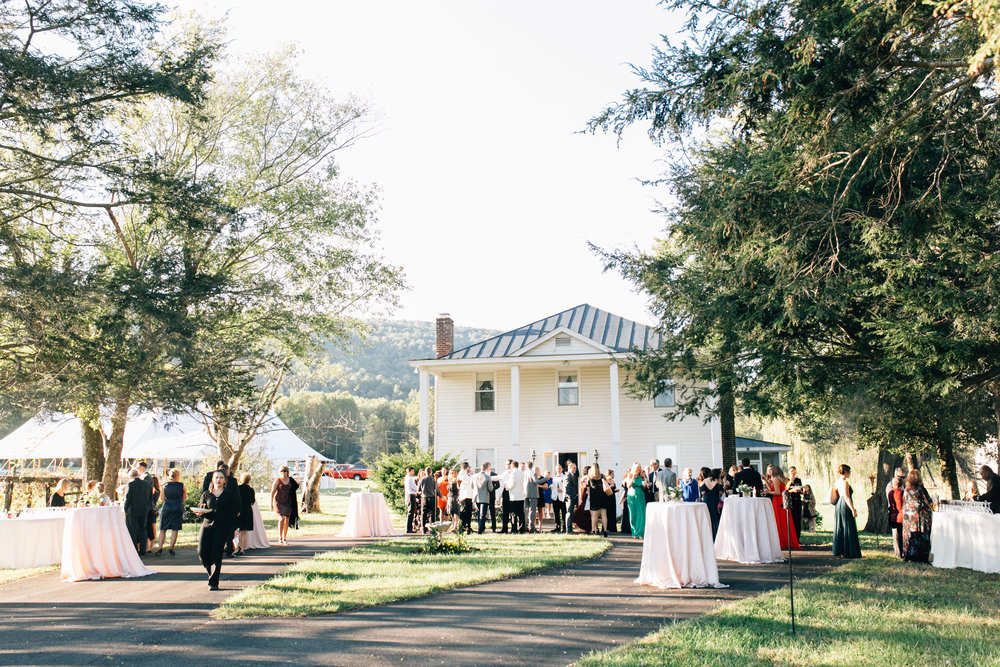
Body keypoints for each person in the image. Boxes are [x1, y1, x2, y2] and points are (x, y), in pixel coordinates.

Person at [197, 470, 237, 590]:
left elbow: (233, 513)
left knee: (216, 553)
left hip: (222, 527)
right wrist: (200, 513)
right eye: (216, 478)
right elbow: (201, 509)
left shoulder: (229, 494)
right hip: (207, 525)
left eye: (221, 478)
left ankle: (213, 582)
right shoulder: (206, 494)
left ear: (224, 480)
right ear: (212, 480)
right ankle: (210, 570)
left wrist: (232, 530)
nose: (218, 480)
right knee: (202, 552)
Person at [901, 469, 934, 563]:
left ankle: (908, 555)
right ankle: (921, 556)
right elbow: (928, 502)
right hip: (918, 517)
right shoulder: (920, 489)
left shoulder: (906, 490)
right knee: (920, 535)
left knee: (909, 536)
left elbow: (904, 503)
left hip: (908, 517)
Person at [765, 465, 800, 550]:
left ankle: (781, 542)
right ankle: (786, 540)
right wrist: (766, 481)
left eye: (771, 471)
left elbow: (777, 492)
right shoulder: (780, 479)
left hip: (777, 501)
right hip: (781, 501)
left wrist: (767, 492)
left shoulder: (776, 479)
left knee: (778, 521)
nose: (769, 472)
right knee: (782, 521)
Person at [832, 464, 862, 558]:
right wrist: (853, 509)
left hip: (838, 505)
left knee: (841, 526)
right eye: (849, 471)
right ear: (846, 472)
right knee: (848, 526)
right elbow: (847, 497)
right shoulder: (845, 483)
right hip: (845, 505)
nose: (850, 473)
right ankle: (849, 551)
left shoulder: (837, 481)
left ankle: (841, 550)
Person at [155, 468, 186, 557]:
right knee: (174, 529)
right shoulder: (181, 485)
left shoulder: (165, 485)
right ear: (177, 476)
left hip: (167, 507)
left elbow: (162, 499)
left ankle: (160, 547)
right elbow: (184, 498)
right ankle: (171, 548)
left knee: (163, 529)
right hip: (177, 507)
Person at [123, 469, 151, 555]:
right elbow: (150, 496)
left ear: (130, 476)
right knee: (143, 529)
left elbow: (127, 499)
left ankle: (134, 549)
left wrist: (125, 509)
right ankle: (143, 548)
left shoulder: (130, 485)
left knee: (132, 530)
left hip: (132, 510)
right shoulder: (147, 484)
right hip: (144, 509)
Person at [270, 466, 299, 545]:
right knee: (281, 518)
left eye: (285, 472)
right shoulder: (277, 480)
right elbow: (272, 492)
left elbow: (296, 487)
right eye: (282, 472)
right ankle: (280, 537)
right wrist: (271, 503)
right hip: (278, 502)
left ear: (287, 472)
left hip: (288, 502)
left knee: (286, 519)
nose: (283, 473)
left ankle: (284, 538)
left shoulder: (290, 480)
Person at [137, 460, 160, 553]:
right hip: (146, 505)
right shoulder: (144, 477)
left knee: (148, 526)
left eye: (138, 467)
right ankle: (147, 545)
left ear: (142, 467)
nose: (137, 469)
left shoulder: (146, 477)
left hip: (146, 505)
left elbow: (145, 491)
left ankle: (148, 545)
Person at [473, 463, 497, 534]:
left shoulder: (475, 476)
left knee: (478, 513)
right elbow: (490, 488)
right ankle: (480, 530)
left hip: (476, 496)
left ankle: (480, 528)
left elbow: (472, 486)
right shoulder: (487, 477)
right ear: (487, 468)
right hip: (484, 497)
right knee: (483, 514)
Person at [235, 472, 255, 556]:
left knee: (236, 531)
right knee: (244, 531)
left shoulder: (237, 488)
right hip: (247, 510)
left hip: (238, 510)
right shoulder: (251, 490)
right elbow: (252, 502)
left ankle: (236, 548)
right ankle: (242, 549)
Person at [624, 463, 646, 538]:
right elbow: (628, 486)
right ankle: (634, 532)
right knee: (633, 514)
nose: (639, 469)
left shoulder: (642, 476)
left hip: (640, 495)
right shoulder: (630, 475)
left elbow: (644, 486)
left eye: (640, 467)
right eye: (637, 467)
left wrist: (645, 483)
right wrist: (633, 477)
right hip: (632, 495)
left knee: (641, 514)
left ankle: (641, 532)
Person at [587, 463, 609, 536]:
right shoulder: (602, 476)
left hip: (594, 496)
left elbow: (588, 489)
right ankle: (605, 530)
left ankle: (593, 530)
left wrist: (590, 496)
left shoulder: (590, 477)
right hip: (603, 496)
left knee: (594, 515)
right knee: (604, 514)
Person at [701, 468, 723, 537]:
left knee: (708, 517)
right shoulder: (718, 481)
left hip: (707, 500)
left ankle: (707, 535)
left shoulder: (705, 481)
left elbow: (702, 492)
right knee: (715, 518)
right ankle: (715, 535)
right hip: (714, 500)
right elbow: (721, 492)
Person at [887, 475, 905, 558]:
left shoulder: (890, 493)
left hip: (893, 515)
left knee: (896, 536)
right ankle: (903, 552)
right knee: (901, 535)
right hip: (901, 515)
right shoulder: (901, 493)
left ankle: (898, 553)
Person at [506, 460, 526, 533]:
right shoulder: (522, 473)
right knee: (521, 513)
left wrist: (506, 486)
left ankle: (514, 529)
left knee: (513, 514)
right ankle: (521, 528)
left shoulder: (513, 474)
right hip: (521, 495)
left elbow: (511, 485)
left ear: (512, 466)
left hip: (514, 496)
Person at [419, 466, 439, 532]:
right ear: (431, 472)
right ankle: (432, 528)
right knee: (432, 513)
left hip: (424, 497)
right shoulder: (433, 479)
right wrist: (441, 496)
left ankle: (423, 528)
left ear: (425, 472)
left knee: (423, 513)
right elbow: (436, 489)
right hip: (432, 497)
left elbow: (418, 489)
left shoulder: (421, 479)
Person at [787, 466, 803, 538]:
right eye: (791, 471)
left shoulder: (798, 480)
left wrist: (800, 490)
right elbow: (785, 491)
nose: (793, 473)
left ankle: (797, 537)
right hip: (790, 501)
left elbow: (801, 491)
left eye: (794, 471)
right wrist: (792, 490)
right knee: (790, 519)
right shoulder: (787, 480)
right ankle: (790, 537)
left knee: (797, 519)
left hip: (797, 500)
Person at [524, 463, 541, 533]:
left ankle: (524, 526)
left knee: (525, 511)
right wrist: (546, 478)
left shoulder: (524, 473)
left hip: (525, 493)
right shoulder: (532, 473)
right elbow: (536, 481)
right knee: (532, 511)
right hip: (533, 494)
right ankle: (531, 527)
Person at [549, 465, 566, 533]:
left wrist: (562, 489)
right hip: (555, 497)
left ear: (562, 469)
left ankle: (565, 527)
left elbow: (565, 486)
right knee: (556, 513)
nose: (558, 470)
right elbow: (554, 486)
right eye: (557, 469)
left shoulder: (564, 477)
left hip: (561, 497)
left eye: (560, 468)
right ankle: (557, 527)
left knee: (564, 512)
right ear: (555, 470)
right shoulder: (554, 478)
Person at [564, 461, 579, 533]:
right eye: (574, 468)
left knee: (570, 513)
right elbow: (567, 487)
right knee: (569, 513)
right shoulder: (568, 475)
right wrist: (570, 496)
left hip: (572, 496)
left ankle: (569, 528)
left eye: (575, 468)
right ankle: (568, 529)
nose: (575, 470)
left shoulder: (572, 475)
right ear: (569, 468)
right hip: (569, 497)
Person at [404, 466, 418, 533]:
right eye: (412, 471)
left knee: (411, 511)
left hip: (408, 495)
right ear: (409, 471)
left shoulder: (407, 478)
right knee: (411, 512)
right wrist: (417, 488)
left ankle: (409, 527)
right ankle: (409, 528)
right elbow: (414, 487)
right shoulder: (409, 479)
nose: (413, 472)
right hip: (410, 495)